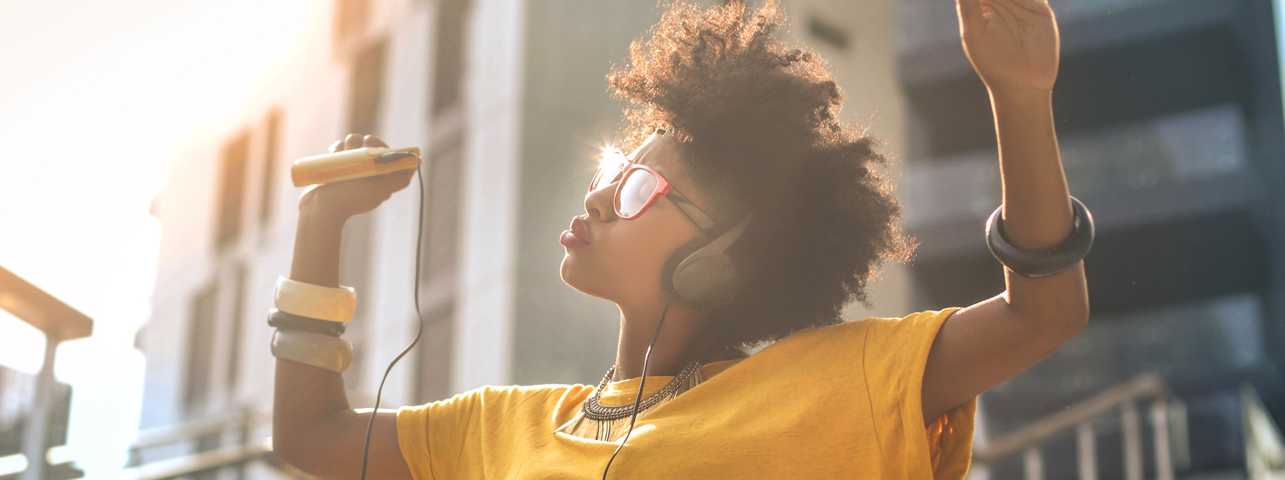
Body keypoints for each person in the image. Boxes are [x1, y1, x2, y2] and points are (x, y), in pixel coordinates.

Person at [269, 0, 1089, 478]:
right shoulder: (498, 428)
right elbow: (311, 437)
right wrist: (319, 228)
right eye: (613, 167)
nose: (595, 196)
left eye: (634, 189)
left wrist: (1020, 96)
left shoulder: (843, 381)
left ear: (721, 256)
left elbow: (1040, 316)